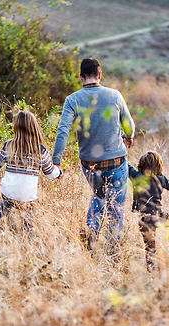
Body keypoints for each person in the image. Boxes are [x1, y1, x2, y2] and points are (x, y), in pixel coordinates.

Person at [52, 58, 135, 257]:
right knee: (115, 206)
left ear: (81, 77)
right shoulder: (115, 95)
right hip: (116, 161)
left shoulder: (72, 100)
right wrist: (129, 137)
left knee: (99, 196)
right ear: (100, 75)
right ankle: (112, 251)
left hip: (90, 164)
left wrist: (56, 159)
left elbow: (63, 130)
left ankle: (91, 231)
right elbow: (130, 126)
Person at [0, 111, 62, 228]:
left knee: (5, 205)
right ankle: (27, 237)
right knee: (28, 218)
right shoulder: (40, 150)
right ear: (34, 127)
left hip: (8, 194)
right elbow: (50, 173)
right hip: (27, 197)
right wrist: (59, 173)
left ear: (16, 126)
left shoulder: (9, 145)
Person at [128, 151, 169, 270]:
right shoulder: (161, 179)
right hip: (158, 215)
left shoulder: (136, 176)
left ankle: (151, 273)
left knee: (150, 249)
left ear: (141, 165)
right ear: (159, 166)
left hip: (143, 219)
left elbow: (126, 165)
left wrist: (124, 147)